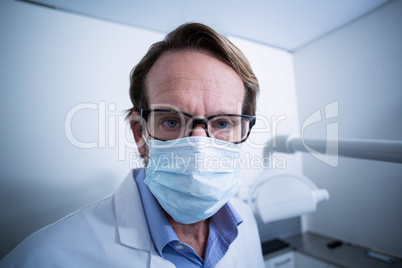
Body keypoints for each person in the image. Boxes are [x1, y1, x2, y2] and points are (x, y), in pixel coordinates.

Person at [1, 22, 264, 267]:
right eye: (172, 122)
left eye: (222, 124)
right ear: (140, 134)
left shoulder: (246, 222)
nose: (198, 145)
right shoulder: (44, 257)